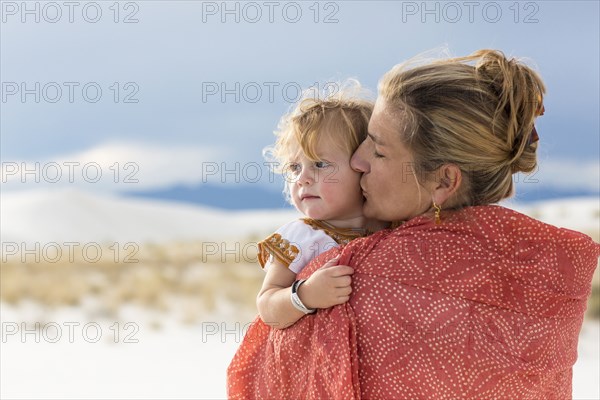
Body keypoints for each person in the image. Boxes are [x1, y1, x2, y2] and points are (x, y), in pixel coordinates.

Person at [227, 49, 600, 399]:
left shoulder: (368, 270)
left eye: (378, 148)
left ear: (443, 182)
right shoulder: (549, 264)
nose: (358, 161)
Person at [255, 82, 382, 329]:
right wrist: (306, 295)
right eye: (294, 167)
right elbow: (267, 308)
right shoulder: (300, 238)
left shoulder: (392, 228)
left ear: (363, 166)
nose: (302, 177)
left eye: (320, 164)